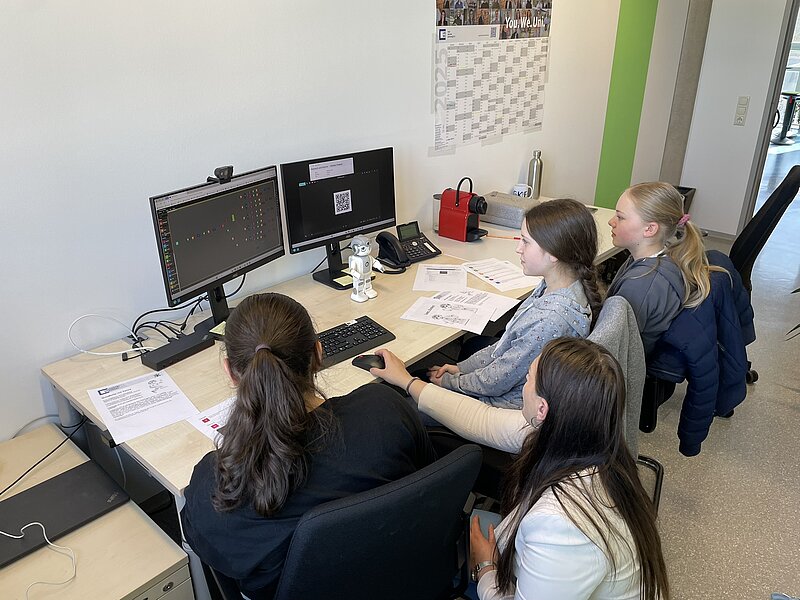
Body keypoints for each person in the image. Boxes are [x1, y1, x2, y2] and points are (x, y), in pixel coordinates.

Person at [181, 293, 434, 600]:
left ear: (231, 372)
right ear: (318, 354)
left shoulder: (215, 486)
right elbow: (428, 482)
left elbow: (218, 562)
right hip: (410, 580)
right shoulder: (385, 407)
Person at [465, 338, 668, 599]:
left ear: (542, 409)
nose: (524, 386)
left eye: (528, 379)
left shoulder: (561, 527)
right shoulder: (605, 455)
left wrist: (485, 568)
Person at [426, 199, 603, 409]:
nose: (518, 249)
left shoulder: (551, 320)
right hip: (509, 386)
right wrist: (461, 369)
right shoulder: (559, 285)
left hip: (507, 405)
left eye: (525, 242)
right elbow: (504, 347)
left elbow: (495, 382)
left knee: (413, 399)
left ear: (554, 253)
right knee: (470, 347)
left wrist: (450, 383)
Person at [606, 181, 722, 357]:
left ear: (650, 229)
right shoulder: (667, 257)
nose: (611, 222)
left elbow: (614, 349)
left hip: (628, 363)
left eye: (620, 217)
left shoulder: (640, 286)